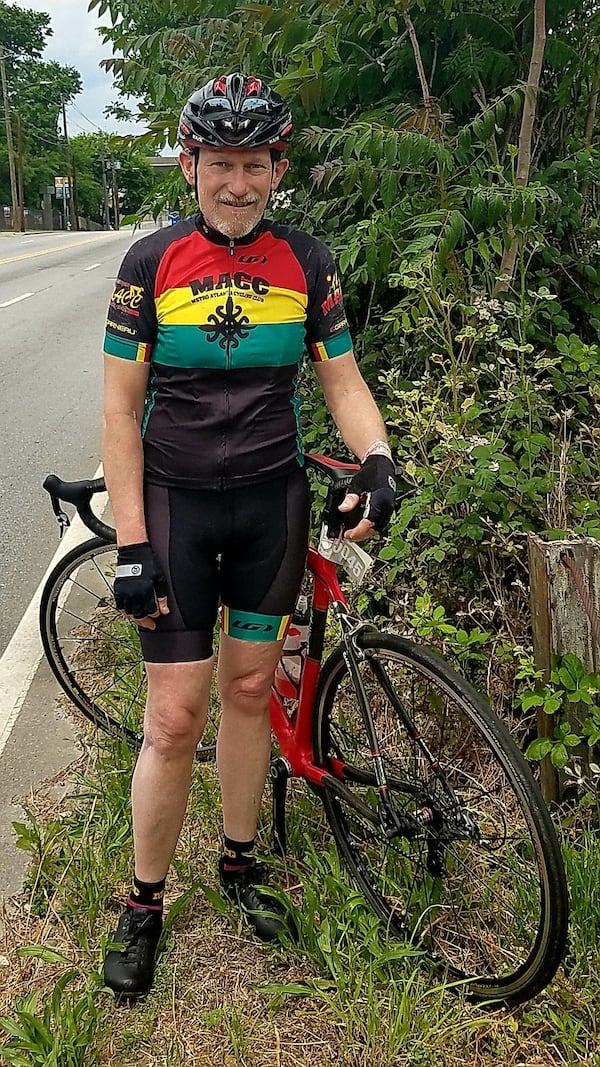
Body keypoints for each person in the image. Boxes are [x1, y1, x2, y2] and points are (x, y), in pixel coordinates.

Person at [101, 72, 396, 999]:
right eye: (220, 163)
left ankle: (237, 862)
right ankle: (145, 900)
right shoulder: (149, 266)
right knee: (172, 716)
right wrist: (133, 542)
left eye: (255, 164)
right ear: (191, 163)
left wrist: (378, 456)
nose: (238, 183)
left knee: (249, 688)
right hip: (178, 510)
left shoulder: (307, 263)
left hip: (272, 503)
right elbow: (120, 407)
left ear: (277, 166)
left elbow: (341, 379)